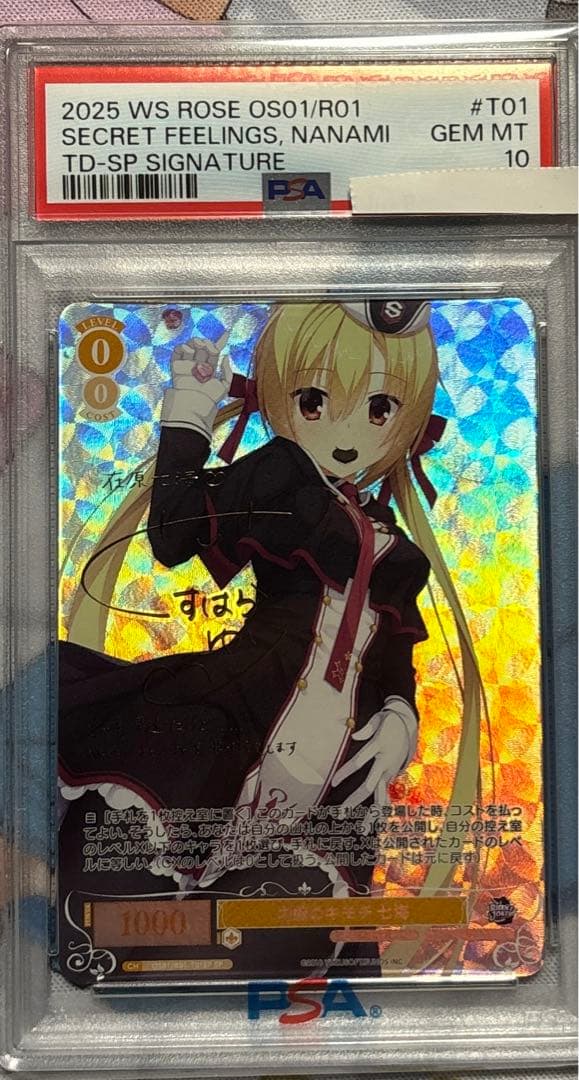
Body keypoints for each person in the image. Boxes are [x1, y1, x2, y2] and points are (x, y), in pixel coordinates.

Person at [58, 301, 482, 979]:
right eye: (314, 400)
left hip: (340, 764)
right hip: (234, 716)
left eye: (379, 408)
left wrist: (401, 714)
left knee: (287, 935)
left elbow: (393, 652)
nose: (348, 432)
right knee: (117, 908)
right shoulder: (280, 476)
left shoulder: (393, 543)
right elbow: (172, 536)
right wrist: (188, 417)